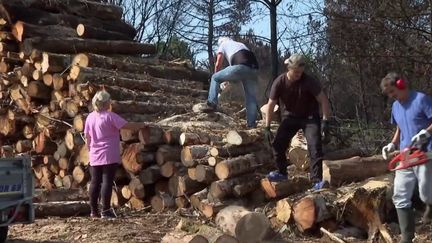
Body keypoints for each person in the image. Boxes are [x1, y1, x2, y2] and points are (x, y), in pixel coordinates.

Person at [263, 54, 331, 190]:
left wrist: (325, 122)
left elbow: (323, 100)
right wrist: (267, 127)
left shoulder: (309, 81)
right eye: (296, 72)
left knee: (314, 146)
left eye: (300, 72)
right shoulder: (280, 82)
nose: (298, 75)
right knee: (277, 144)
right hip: (290, 117)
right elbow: (271, 105)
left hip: (310, 118)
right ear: (289, 68)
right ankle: (282, 172)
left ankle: (317, 181)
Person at [381, 72, 432, 243]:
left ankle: (430, 205)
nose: (392, 97)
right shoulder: (396, 106)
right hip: (405, 154)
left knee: (426, 194)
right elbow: (400, 127)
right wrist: (393, 144)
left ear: (401, 85)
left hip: (425, 153)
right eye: (389, 94)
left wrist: (426, 132)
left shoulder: (421, 99)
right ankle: (407, 238)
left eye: (393, 92)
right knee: (400, 195)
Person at [84, 90, 148, 219]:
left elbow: (87, 137)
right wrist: (142, 125)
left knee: (95, 182)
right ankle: (106, 211)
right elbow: (127, 125)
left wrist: (90, 150)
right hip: (108, 154)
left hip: (95, 154)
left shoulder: (90, 117)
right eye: (109, 101)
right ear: (106, 102)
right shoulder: (110, 116)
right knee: (107, 181)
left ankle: (93, 211)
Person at [197, 37, 259, 128]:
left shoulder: (223, 44)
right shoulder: (240, 45)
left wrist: (217, 74)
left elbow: (218, 63)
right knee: (251, 97)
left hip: (240, 66)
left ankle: (211, 103)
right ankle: (251, 124)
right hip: (253, 70)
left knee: (215, 77)